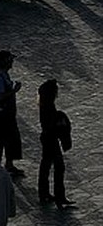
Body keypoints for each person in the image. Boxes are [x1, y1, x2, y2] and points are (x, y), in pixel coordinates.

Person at [37, 79, 74, 209]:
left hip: (47, 139)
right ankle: (59, 196)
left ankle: (44, 193)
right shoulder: (48, 107)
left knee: (46, 166)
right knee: (58, 167)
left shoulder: (45, 104)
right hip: (50, 140)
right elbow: (50, 124)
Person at [0, 50, 23, 174]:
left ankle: (8, 164)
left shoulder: (2, 74)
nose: (12, 63)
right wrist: (14, 90)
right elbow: (0, 96)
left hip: (5, 112)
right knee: (1, 139)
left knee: (9, 138)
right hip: (1, 113)